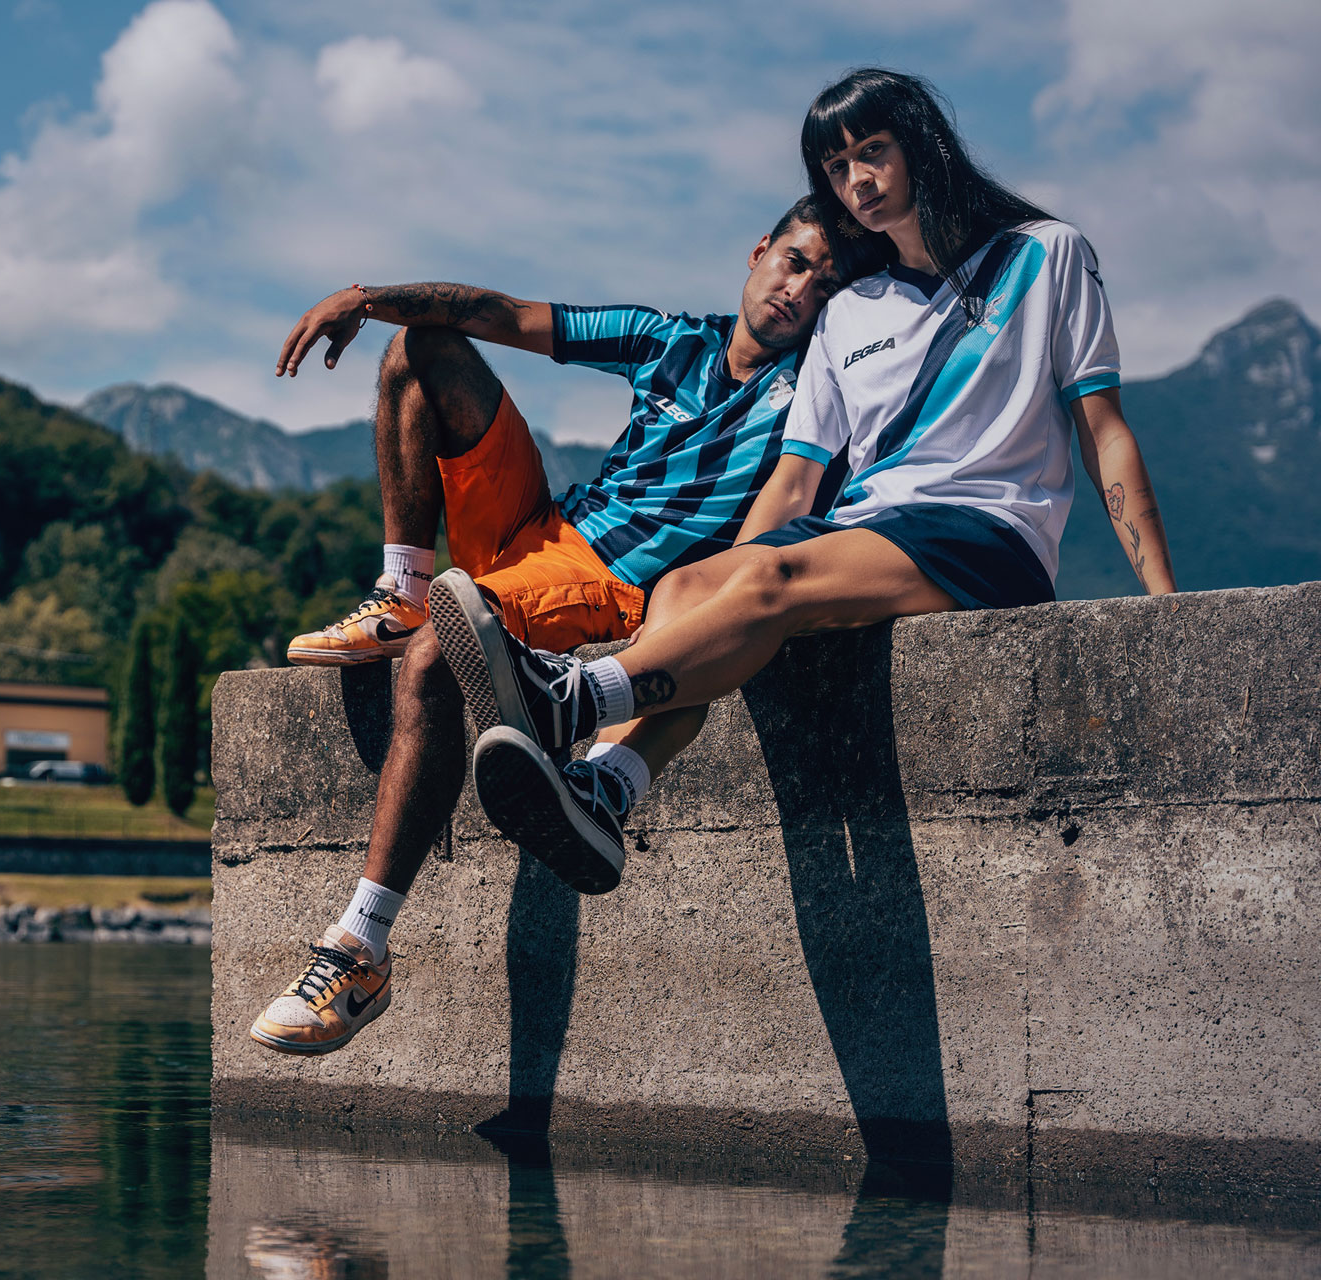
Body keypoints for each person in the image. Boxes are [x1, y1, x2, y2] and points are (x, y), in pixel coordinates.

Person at [431, 67, 1176, 903]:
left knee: (767, 579)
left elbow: (1104, 431)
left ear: (922, 144)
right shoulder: (849, 311)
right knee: (691, 585)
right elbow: (794, 484)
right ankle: (608, 789)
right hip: (862, 533)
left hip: (987, 534)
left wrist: (1164, 604)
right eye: (836, 168)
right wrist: (722, 597)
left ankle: (570, 701)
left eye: (873, 151)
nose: (857, 181)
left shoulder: (1044, 255)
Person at [250, 199, 870, 1055]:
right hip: (540, 524)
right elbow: (504, 316)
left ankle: (359, 949)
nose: (800, 292)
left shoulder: (812, 399)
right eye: (796, 262)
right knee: (422, 345)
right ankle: (400, 587)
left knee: (440, 654)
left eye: (827, 287)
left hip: (606, 587)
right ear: (759, 251)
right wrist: (368, 296)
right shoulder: (668, 339)